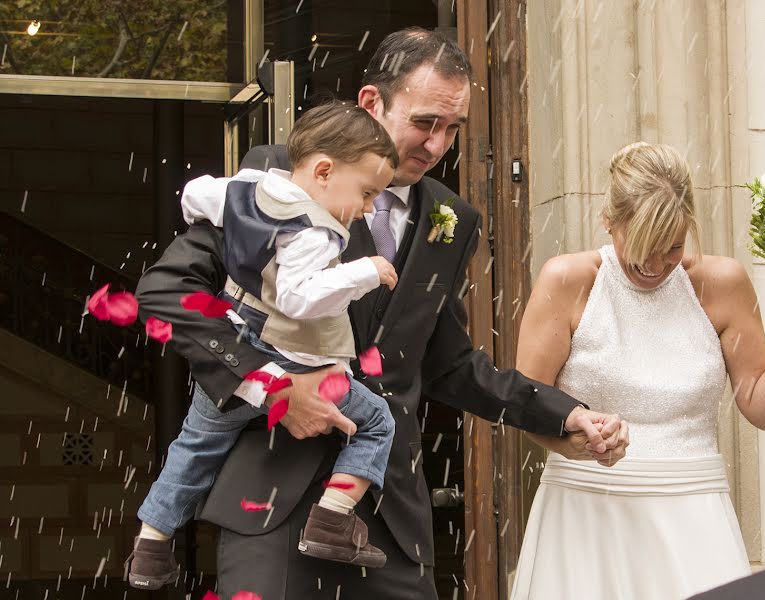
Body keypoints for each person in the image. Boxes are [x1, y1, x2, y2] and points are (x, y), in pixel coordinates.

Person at [135, 28, 626, 599]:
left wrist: (561, 416)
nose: (438, 145)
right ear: (372, 103)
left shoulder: (453, 218)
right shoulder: (283, 175)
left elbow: (447, 364)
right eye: (424, 123)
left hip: (391, 520)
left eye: (452, 129)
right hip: (273, 504)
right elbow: (168, 292)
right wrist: (272, 386)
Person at [127, 103, 403, 589]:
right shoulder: (314, 227)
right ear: (324, 170)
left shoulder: (248, 189)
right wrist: (366, 271)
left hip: (239, 327)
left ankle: (151, 546)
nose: (366, 209)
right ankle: (333, 519)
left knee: (193, 447)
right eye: (366, 194)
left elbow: (195, 195)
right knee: (376, 419)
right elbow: (292, 298)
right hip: (286, 366)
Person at [510, 142, 765, 600]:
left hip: (696, 519)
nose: (657, 266)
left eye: (673, 247)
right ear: (609, 220)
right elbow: (525, 405)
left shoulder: (723, 284)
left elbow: (762, 408)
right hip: (586, 514)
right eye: (641, 247)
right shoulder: (566, 281)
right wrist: (577, 441)